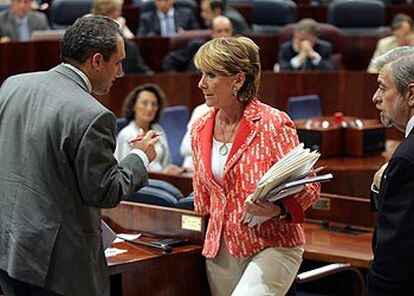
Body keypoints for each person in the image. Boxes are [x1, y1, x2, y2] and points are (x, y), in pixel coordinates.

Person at [0, 16, 158, 296]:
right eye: (117, 62)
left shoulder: (12, 86)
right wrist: (140, 157)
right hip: (58, 270)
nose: (120, 72)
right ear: (97, 61)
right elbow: (104, 192)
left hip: (8, 250)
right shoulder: (92, 115)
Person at [191, 36, 320, 295]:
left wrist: (278, 209)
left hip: (273, 244)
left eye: (211, 75)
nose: (201, 83)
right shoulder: (200, 128)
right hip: (221, 247)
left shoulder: (273, 123)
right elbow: (203, 200)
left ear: (238, 80)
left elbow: (310, 187)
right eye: (202, 74)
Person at [366, 46, 414, 295]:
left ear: (411, 95)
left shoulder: (406, 158)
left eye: (383, 88)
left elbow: (395, 256)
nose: (375, 97)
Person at [115, 83, 185, 175]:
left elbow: (167, 163)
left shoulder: (158, 129)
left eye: (154, 104)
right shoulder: (126, 134)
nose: (150, 108)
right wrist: (163, 173)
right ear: (133, 106)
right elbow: (126, 172)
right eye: (145, 103)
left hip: (163, 179)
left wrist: (173, 169)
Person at [90, 0, 153, 75]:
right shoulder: (89, 26)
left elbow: (131, 38)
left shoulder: (129, 46)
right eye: (117, 10)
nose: (120, 13)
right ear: (107, 12)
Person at [162, 15, 233, 72]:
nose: (224, 35)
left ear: (232, 32)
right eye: (219, 31)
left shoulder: (236, 51)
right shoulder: (198, 47)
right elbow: (169, 61)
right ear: (212, 33)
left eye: (227, 30)